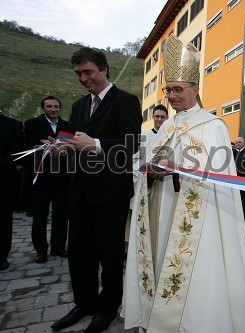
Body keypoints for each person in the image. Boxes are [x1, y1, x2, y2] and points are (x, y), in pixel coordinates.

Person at [122, 35, 245, 332]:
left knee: (192, 271)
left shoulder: (213, 126)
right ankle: (154, 316)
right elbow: (146, 164)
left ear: (195, 89)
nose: (172, 95)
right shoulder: (166, 126)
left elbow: (220, 175)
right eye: (168, 89)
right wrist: (148, 170)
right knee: (159, 260)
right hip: (158, 207)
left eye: (178, 89)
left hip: (197, 215)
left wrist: (176, 170)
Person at [51, 47, 142, 333]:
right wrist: (63, 148)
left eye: (87, 72)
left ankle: (107, 308)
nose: (83, 78)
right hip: (80, 191)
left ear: (103, 69)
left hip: (109, 192)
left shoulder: (125, 101)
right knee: (79, 253)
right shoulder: (79, 106)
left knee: (110, 254)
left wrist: (96, 144)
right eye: (78, 73)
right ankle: (84, 303)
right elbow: (78, 142)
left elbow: (130, 147)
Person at [24, 96, 70, 264]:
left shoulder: (67, 125)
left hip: (62, 178)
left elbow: (70, 146)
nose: (53, 109)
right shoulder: (31, 124)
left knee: (61, 214)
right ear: (43, 108)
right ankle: (41, 250)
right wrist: (52, 148)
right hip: (41, 176)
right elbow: (32, 146)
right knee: (40, 215)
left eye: (56, 106)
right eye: (49, 106)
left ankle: (58, 246)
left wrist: (61, 149)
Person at [0, 113, 24, 271]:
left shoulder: (12, 125)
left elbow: (15, 153)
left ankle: (1, 256)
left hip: (2, 182)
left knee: (2, 221)